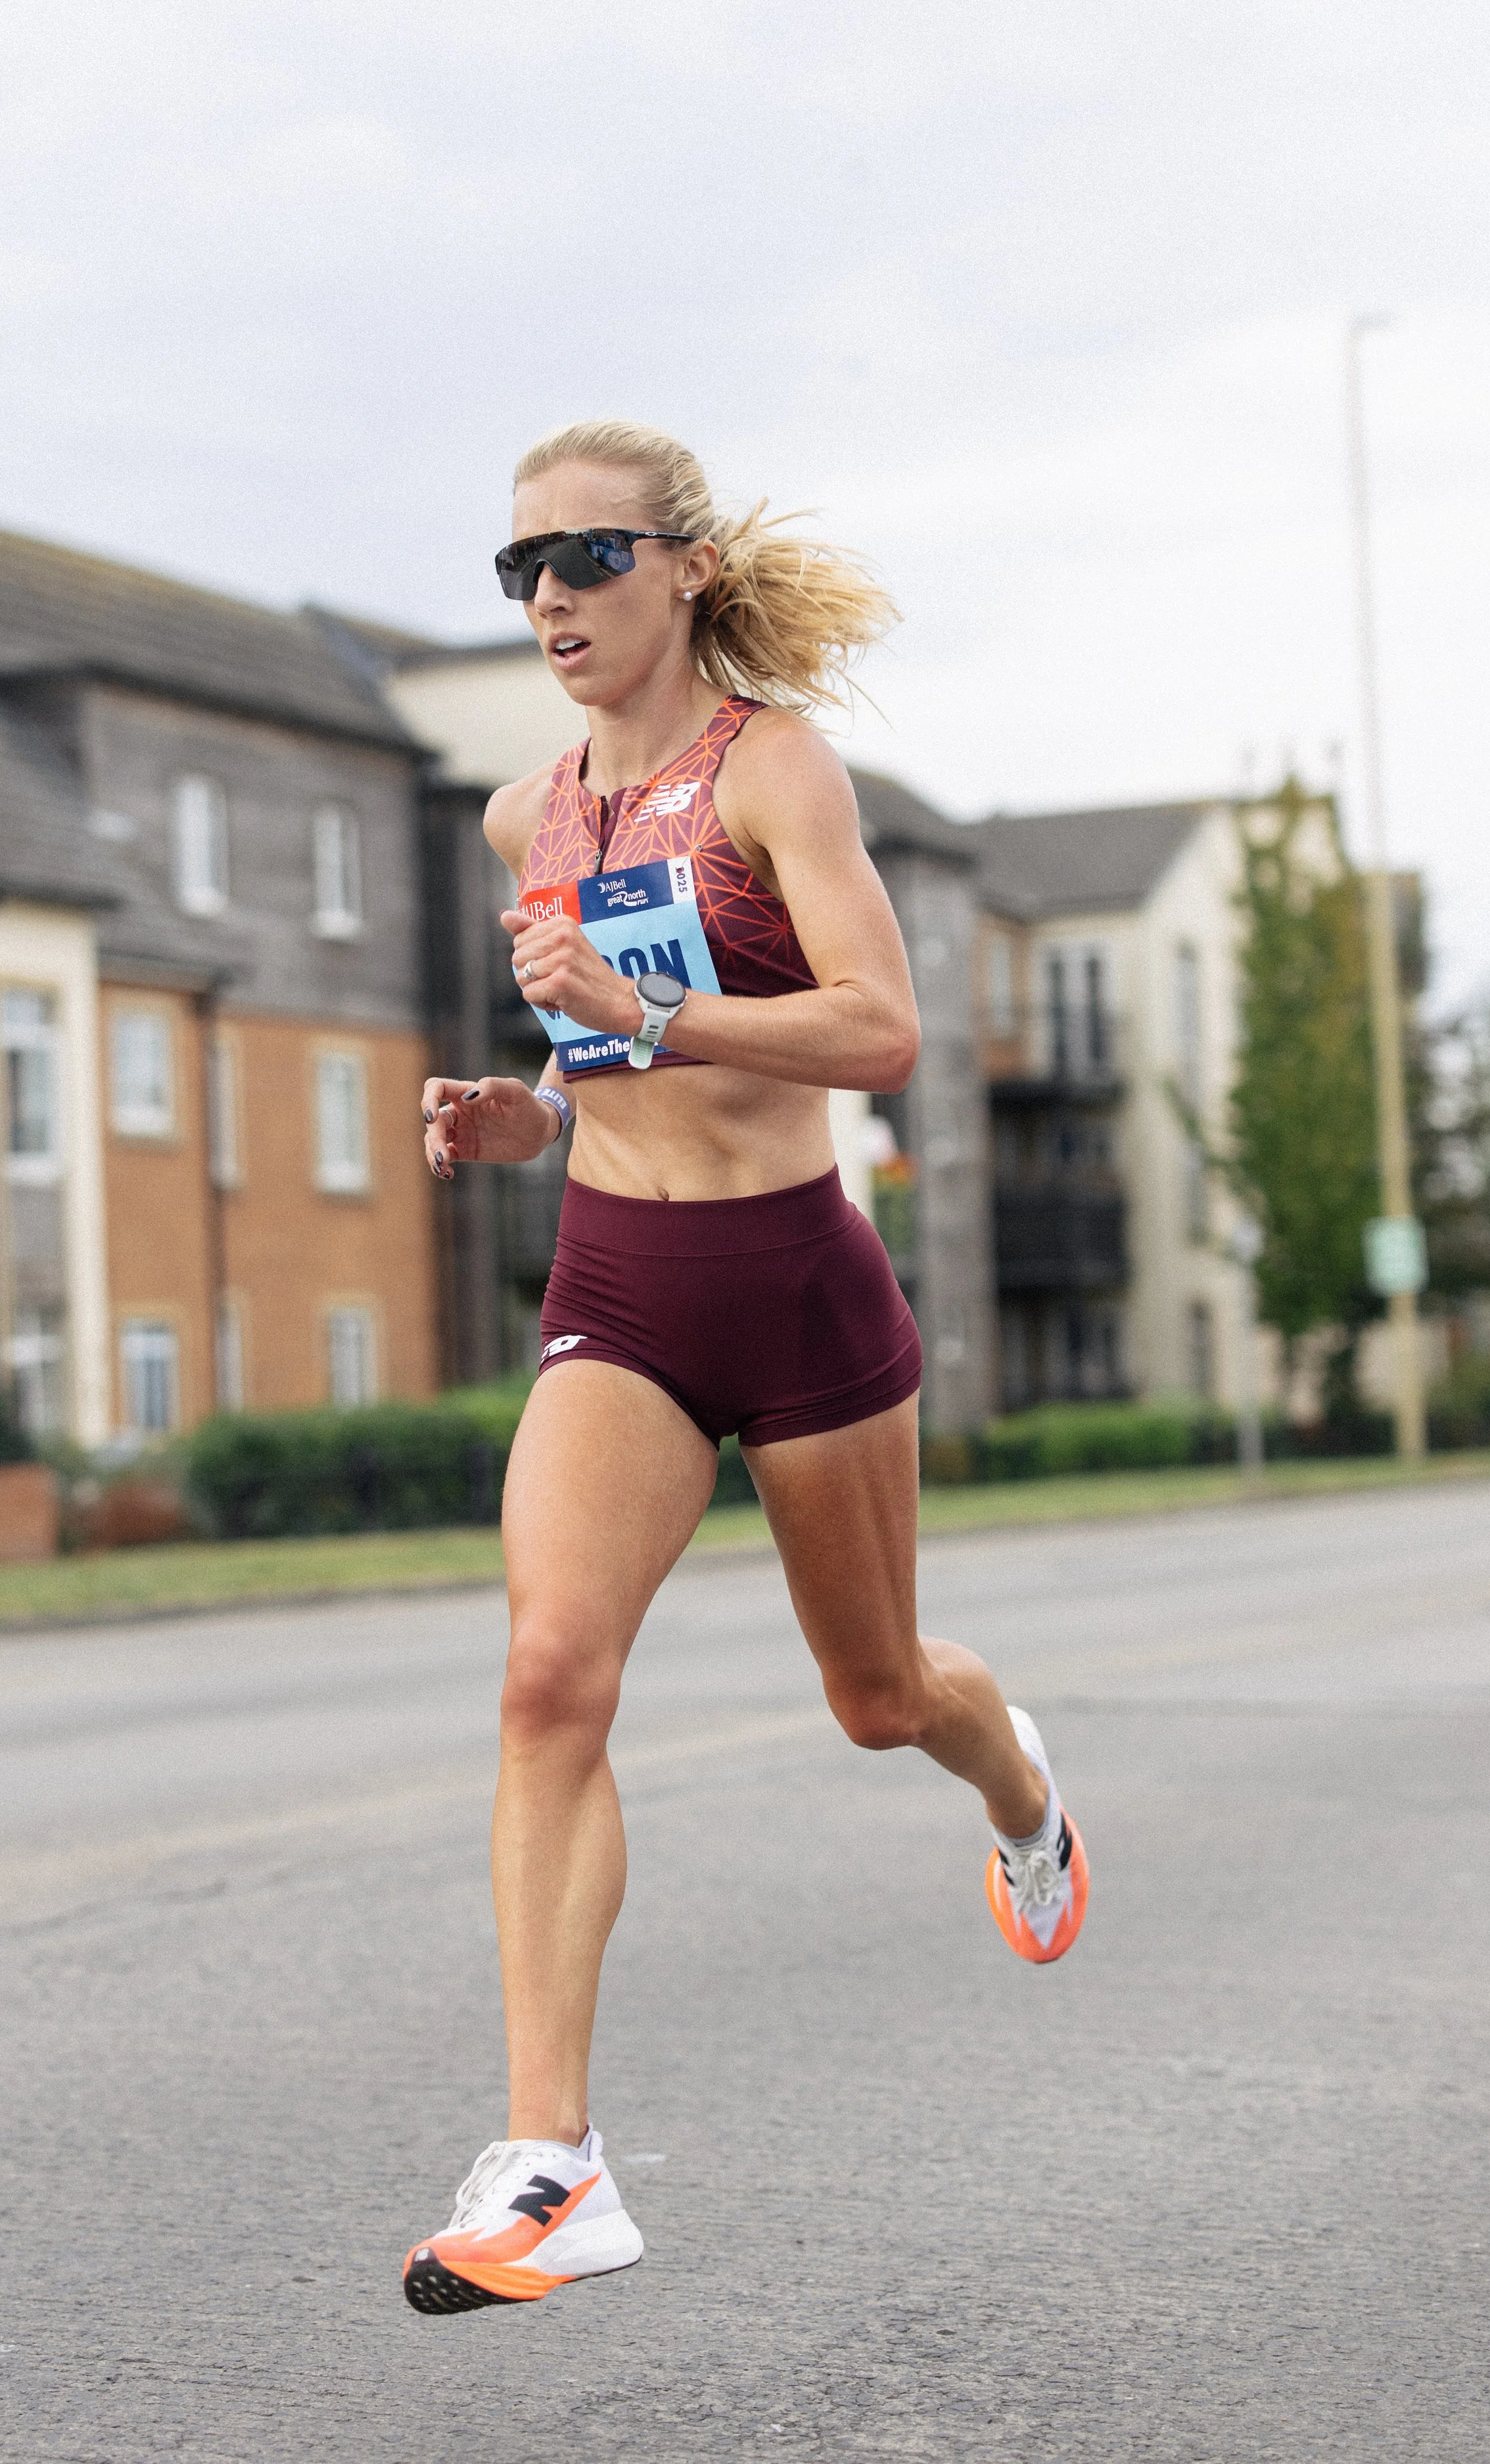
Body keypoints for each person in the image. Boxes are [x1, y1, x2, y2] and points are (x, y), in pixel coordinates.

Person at [402, 421, 1089, 2318]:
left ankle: (1016, 1780)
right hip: (618, 1279)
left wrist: (647, 1007)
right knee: (549, 1673)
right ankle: (556, 2159)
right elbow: (598, 1056)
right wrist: (528, 1114)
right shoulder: (513, 812)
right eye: (517, 568)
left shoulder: (774, 764)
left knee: (877, 1693)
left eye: (586, 558)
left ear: (682, 565)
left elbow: (879, 1030)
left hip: (794, 1279)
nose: (547, 597)